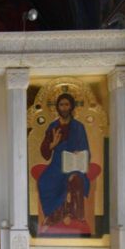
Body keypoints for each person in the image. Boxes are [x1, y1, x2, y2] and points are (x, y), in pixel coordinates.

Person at [38, 92, 90, 226]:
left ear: (71, 106)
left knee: (75, 179)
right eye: (61, 105)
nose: (64, 108)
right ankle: (52, 215)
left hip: (74, 165)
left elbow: (86, 149)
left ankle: (74, 215)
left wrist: (80, 153)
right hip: (57, 164)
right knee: (44, 181)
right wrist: (53, 144)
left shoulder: (78, 127)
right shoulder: (53, 127)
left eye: (67, 104)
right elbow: (44, 152)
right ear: (57, 107)